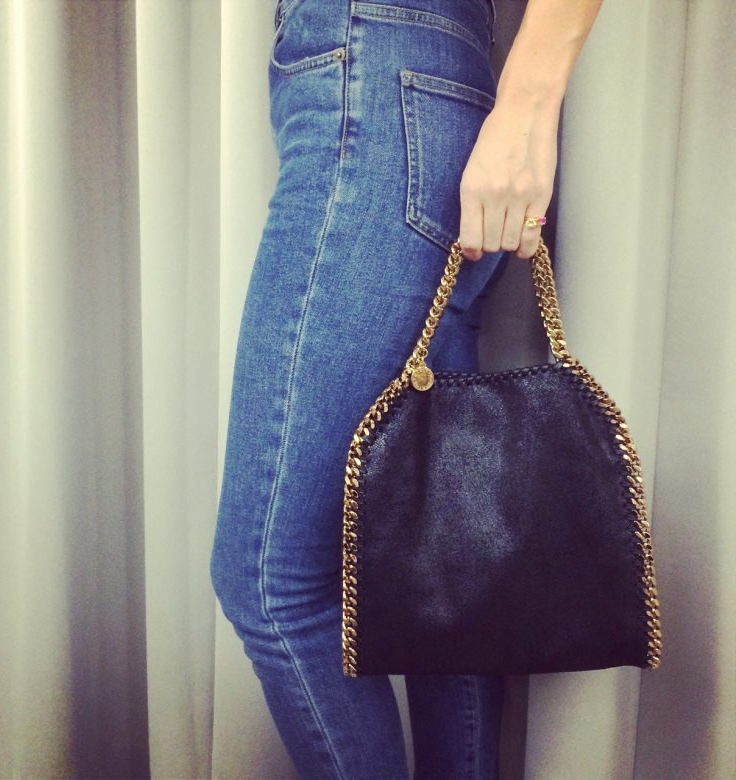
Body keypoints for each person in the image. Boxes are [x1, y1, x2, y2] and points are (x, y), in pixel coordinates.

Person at [210, 0, 604, 777]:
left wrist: (531, 101)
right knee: (440, 560)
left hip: (376, 75)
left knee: (267, 579)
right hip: (404, 84)